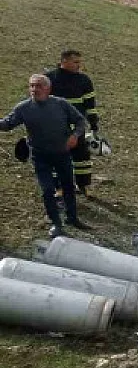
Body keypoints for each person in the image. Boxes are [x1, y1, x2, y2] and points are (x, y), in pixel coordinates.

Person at [0, 74, 92, 238]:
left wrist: (75, 136)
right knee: (47, 190)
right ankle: (56, 223)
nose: (35, 89)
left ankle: (72, 218)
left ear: (48, 89)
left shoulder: (61, 104)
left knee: (68, 187)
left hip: (62, 153)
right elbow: (7, 124)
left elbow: (80, 121)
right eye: (32, 86)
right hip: (40, 156)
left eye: (39, 85)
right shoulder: (23, 108)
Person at [45, 50, 98, 196]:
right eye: (75, 62)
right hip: (55, 127)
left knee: (82, 157)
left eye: (79, 62)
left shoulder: (84, 80)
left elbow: (90, 105)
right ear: (64, 61)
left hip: (77, 127)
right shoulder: (49, 79)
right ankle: (60, 188)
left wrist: (94, 124)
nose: (79, 65)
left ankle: (84, 186)